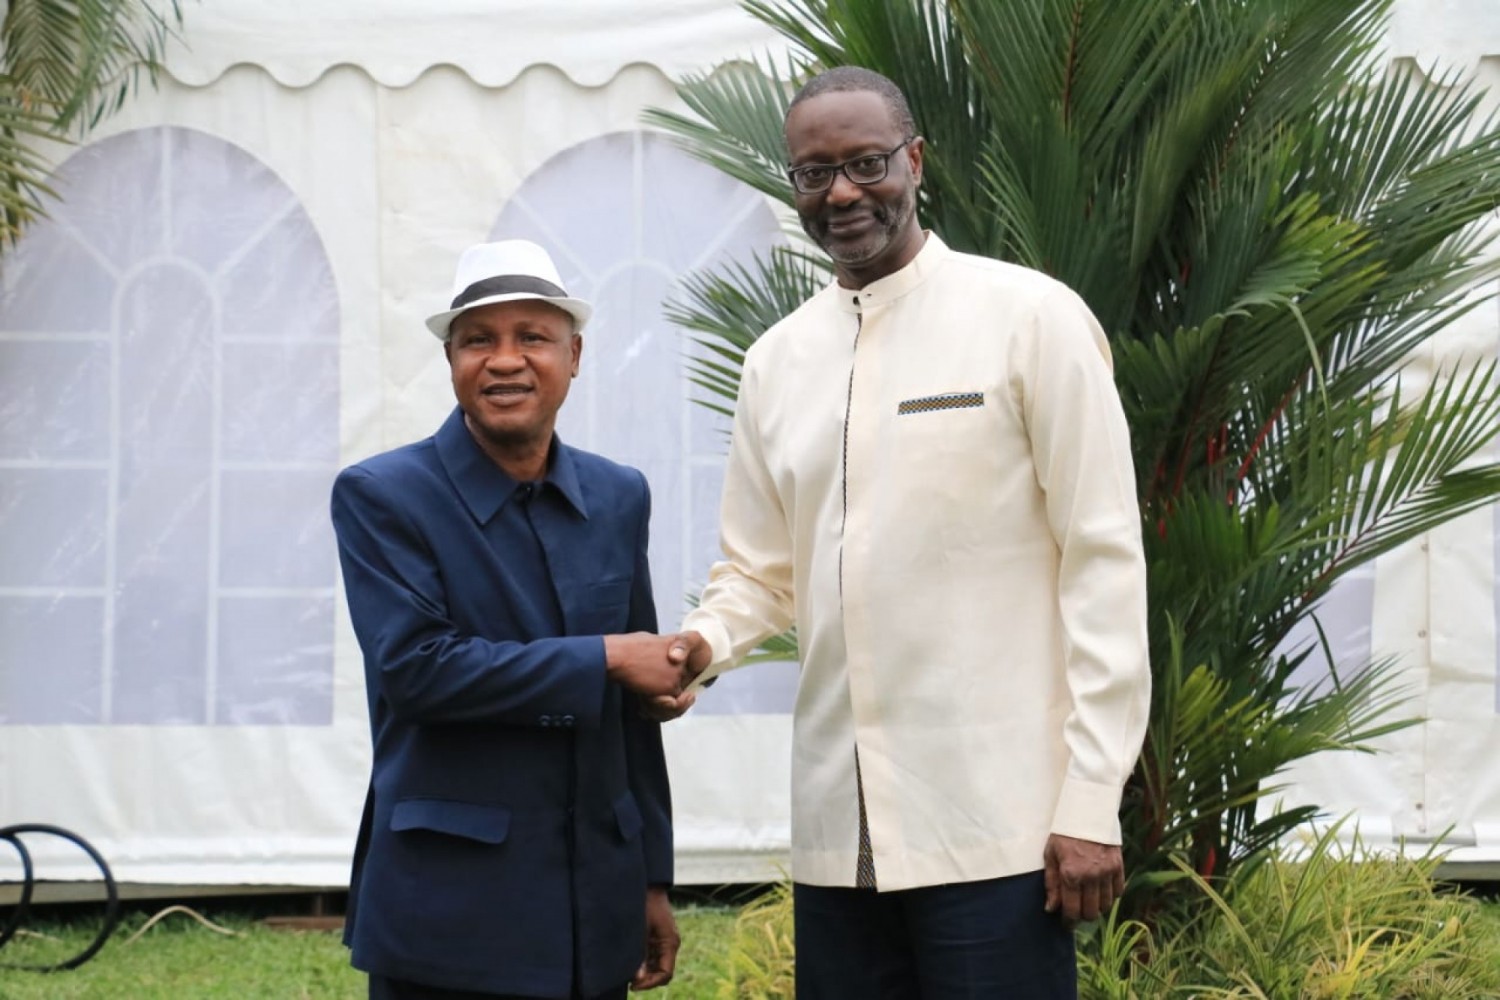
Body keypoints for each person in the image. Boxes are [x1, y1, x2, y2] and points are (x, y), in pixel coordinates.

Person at [665, 67, 1151, 998]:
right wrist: (701, 645)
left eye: (867, 163)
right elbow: (761, 571)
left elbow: (1103, 561)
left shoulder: (1030, 319)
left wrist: (1092, 799)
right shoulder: (776, 362)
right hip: (836, 840)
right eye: (815, 174)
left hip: (998, 828)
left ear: (915, 161)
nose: (843, 193)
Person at [331, 239, 693, 1000]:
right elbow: (418, 673)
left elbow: (634, 716)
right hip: (449, 913)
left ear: (574, 355)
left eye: (532, 336)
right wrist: (606, 658)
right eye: (477, 340)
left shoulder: (618, 494)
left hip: (595, 907)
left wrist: (651, 875)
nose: (504, 361)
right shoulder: (383, 494)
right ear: (450, 360)